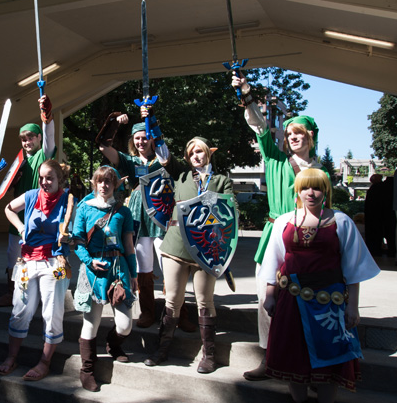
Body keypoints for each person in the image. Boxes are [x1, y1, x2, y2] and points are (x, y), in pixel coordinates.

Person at [232, 72, 327, 380]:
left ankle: (310, 364)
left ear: (310, 137)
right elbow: (260, 126)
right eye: (289, 134)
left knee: (307, 301)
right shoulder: (275, 160)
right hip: (275, 237)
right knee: (266, 299)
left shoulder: (321, 173)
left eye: (298, 133)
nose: (293, 137)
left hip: (310, 242)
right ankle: (269, 358)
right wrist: (246, 93)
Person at [260, 168, 380, 403]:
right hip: (291, 302)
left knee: (331, 359)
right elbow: (273, 260)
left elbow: (353, 268)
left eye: (316, 188)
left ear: (325, 191)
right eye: (305, 188)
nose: (311, 193)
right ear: (298, 191)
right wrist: (270, 295)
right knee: (293, 354)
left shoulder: (341, 221)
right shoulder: (284, 221)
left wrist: (352, 306)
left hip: (329, 304)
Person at [144, 137, 234, 373]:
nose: (196, 156)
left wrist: (211, 202)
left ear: (208, 153)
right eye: (191, 153)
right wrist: (152, 123)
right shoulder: (180, 175)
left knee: (205, 300)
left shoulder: (222, 181)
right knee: (173, 300)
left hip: (208, 249)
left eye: (200, 151)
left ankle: (209, 355)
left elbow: (230, 211)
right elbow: (163, 153)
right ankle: (162, 349)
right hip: (176, 246)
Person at [97, 107, 189, 329]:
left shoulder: (163, 159)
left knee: (171, 266)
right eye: (137, 138)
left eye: (145, 137)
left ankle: (178, 313)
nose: (141, 142)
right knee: (143, 266)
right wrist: (114, 122)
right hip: (138, 219)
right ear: (132, 140)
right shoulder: (129, 161)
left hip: (162, 217)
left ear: (152, 139)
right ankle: (148, 311)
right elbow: (103, 146)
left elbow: (170, 160)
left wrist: (151, 119)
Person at [0, 160, 72, 381]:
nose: (44, 182)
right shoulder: (31, 196)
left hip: (55, 263)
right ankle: (12, 357)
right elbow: (9, 208)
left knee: (52, 312)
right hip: (27, 261)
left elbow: (77, 227)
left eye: (50, 178)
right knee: (20, 310)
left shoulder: (68, 200)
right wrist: (21, 228)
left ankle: (44, 362)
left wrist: (69, 237)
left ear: (60, 179)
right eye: (42, 177)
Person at [73, 166, 137, 392]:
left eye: (109, 181)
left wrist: (134, 274)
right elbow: (78, 241)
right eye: (100, 181)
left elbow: (129, 246)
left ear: (115, 184)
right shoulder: (84, 208)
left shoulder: (124, 212)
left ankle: (113, 344)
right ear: (94, 183)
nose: (104, 185)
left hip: (118, 271)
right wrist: (89, 261)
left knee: (125, 325)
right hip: (93, 272)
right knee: (91, 323)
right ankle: (87, 370)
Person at [0, 95, 57, 307]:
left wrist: (46, 116)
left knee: (39, 257)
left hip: (40, 214)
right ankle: (12, 293)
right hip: (18, 214)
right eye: (23, 139)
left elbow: (49, 137)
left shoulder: (44, 155)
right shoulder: (19, 160)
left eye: (31, 138)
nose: (27, 142)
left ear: (38, 138)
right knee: (13, 256)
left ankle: (38, 297)